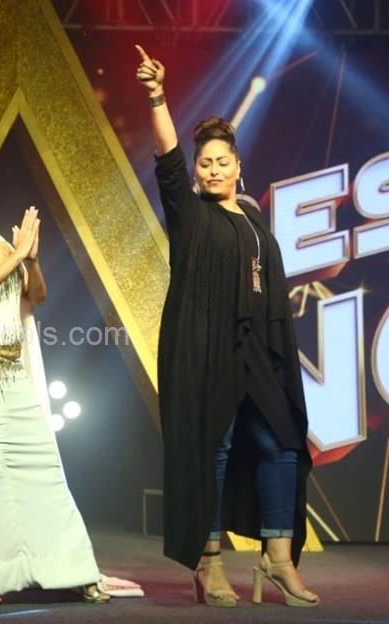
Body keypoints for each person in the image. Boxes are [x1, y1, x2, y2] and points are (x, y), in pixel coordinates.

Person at [134, 45, 319, 608]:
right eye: (205, 163)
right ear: (197, 171)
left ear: (239, 166)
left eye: (222, 161)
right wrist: (157, 97)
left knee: (283, 444)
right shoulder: (191, 214)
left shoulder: (256, 220)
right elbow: (167, 156)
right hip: (207, 350)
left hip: (258, 353)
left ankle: (278, 559)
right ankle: (209, 561)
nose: (212, 169)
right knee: (214, 450)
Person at [0, 151, 110, 605]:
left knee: (43, 461)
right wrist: (15, 255)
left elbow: (37, 296)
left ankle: (68, 567)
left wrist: (30, 260)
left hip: (11, 361)